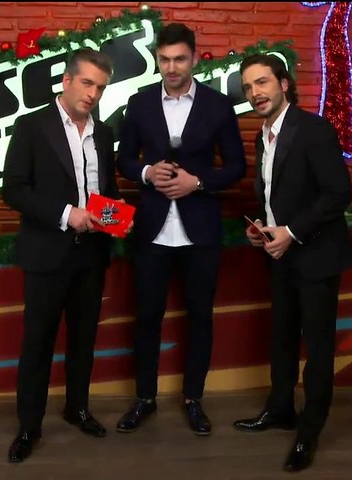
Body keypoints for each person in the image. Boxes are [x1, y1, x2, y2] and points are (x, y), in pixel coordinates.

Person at [115, 23, 246, 436]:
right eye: (164, 59)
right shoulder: (138, 103)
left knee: (200, 317)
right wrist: (146, 172)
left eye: (179, 59)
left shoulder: (218, 106)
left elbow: (237, 166)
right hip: (152, 229)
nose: (171, 67)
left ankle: (193, 399)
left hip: (200, 230)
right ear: (157, 59)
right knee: (147, 316)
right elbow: (124, 160)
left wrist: (199, 182)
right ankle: (145, 398)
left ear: (194, 58)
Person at [233, 54, 352, 472]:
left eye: (262, 82)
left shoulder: (313, 129)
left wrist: (291, 231)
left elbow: (339, 194)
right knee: (282, 338)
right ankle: (280, 409)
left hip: (317, 257)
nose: (255, 93)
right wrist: (263, 228)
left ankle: (309, 431)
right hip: (279, 255)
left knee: (317, 349)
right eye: (248, 87)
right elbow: (277, 195)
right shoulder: (262, 136)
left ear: (284, 84)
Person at [1, 47, 125, 464]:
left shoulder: (103, 133)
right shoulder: (31, 126)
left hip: (92, 255)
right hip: (46, 255)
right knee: (38, 344)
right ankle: (29, 426)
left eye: (100, 87)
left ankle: (78, 409)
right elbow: (14, 189)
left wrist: (118, 218)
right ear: (67, 81)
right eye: (87, 83)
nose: (92, 94)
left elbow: (107, 191)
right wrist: (65, 213)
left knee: (84, 340)